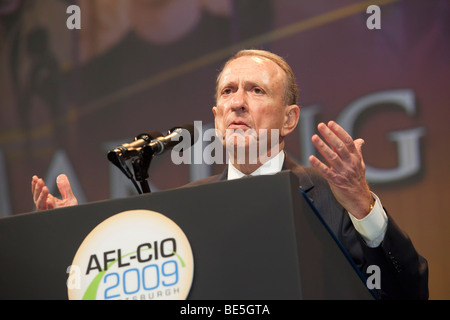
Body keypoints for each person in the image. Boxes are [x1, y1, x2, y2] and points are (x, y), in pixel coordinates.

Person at [31, 49, 428, 300]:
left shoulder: (331, 192)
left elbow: (409, 290)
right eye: (227, 92)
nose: (238, 102)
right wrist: (76, 238)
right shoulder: (189, 204)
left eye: (256, 91)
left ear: (290, 118)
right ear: (217, 117)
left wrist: (363, 205)